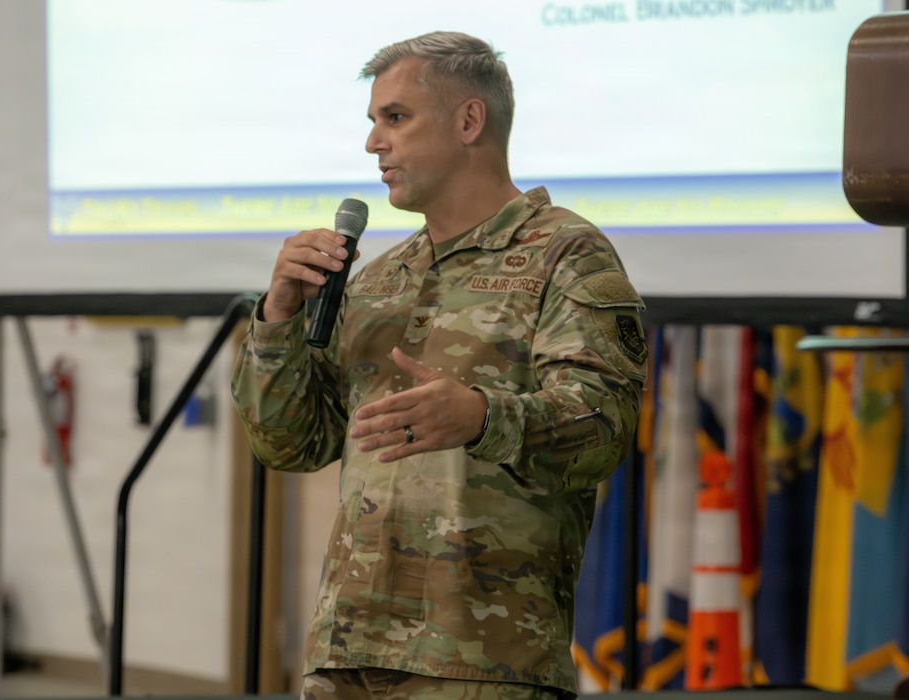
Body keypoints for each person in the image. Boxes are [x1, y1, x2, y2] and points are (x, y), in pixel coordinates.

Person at [232, 31, 647, 700]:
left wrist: (484, 417)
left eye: (394, 118)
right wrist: (278, 317)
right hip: (349, 652)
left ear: (468, 120)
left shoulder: (566, 255)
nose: (374, 142)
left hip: (483, 662)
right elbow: (289, 442)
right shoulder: (377, 280)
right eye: (372, 122)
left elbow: (605, 432)